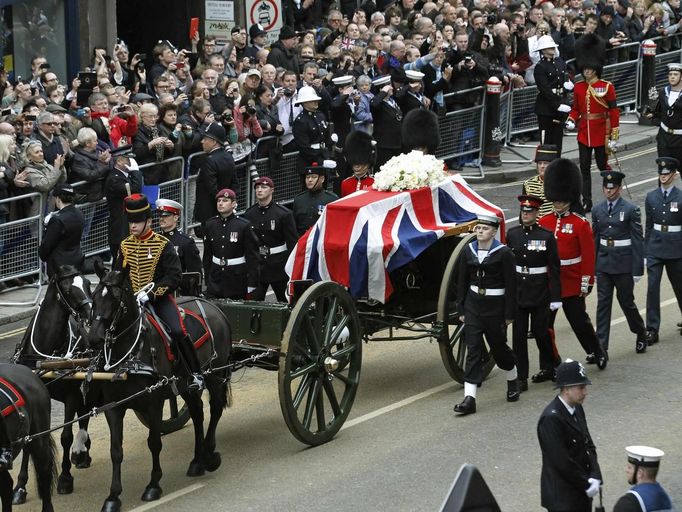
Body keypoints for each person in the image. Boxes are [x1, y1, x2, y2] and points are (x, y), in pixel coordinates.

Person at [118, 194, 203, 391]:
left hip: (158, 300)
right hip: (131, 301)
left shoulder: (162, 244)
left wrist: (152, 293)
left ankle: (195, 373)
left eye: (137, 221)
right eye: (130, 221)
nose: (133, 226)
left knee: (177, 330)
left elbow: (174, 277)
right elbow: (119, 275)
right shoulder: (125, 245)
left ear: (148, 221)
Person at [539, 158, 608, 369]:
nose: (558, 202)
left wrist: (586, 282)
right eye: (556, 199)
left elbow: (588, 256)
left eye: (562, 199)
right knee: (544, 327)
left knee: (579, 323)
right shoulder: (544, 222)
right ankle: (549, 364)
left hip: (571, 282)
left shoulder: (580, 224)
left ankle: (597, 351)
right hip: (550, 283)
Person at [453, 214, 520, 416]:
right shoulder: (468, 251)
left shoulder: (504, 253)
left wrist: (509, 314)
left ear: (493, 231)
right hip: (474, 305)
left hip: (495, 307)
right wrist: (462, 309)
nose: (480, 231)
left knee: (499, 348)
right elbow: (462, 281)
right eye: (478, 228)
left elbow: (511, 285)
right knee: (473, 349)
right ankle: (469, 398)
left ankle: (512, 377)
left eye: (484, 229)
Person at [507, 195, 562, 391]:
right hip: (519, 293)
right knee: (519, 337)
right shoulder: (512, 234)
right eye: (523, 211)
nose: (526, 214)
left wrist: (556, 297)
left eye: (529, 212)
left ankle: (554, 364)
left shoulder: (546, 236)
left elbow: (554, 269)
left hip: (540, 293)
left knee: (541, 334)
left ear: (537, 213)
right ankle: (521, 377)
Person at [591, 170, 648, 355]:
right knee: (603, 304)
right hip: (604, 264)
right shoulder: (597, 209)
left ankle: (640, 332)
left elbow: (637, 240)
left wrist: (638, 268)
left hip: (623, 264)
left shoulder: (631, 209)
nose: (609, 192)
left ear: (619, 188)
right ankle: (601, 347)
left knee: (626, 303)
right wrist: (593, 266)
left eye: (612, 188)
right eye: (606, 188)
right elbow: (595, 239)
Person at [537, 359, 602, 512]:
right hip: (563, 498)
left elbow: (588, 445)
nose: (585, 392)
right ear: (566, 389)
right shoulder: (551, 419)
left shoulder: (577, 408)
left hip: (580, 490)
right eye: (581, 387)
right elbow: (562, 462)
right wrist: (586, 484)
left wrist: (595, 474)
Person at [565, 34, 619, 212]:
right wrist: (571, 120)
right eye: (585, 68)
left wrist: (614, 136)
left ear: (596, 68)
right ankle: (586, 200)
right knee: (584, 169)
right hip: (584, 134)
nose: (587, 71)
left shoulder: (607, 86)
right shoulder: (579, 87)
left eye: (590, 69)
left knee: (603, 167)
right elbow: (576, 109)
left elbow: (613, 111)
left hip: (601, 133)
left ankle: (610, 196)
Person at [644, 157, 682, 345]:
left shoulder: (681, 197)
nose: (663, 176)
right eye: (661, 173)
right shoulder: (651, 197)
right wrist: (646, 250)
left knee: (680, 287)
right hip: (655, 247)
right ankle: (652, 329)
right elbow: (649, 225)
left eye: (667, 174)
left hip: (676, 249)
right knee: (652, 288)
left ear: (674, 175)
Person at [242, 177, 298, 302]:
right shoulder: (249, 214)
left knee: (285, 302)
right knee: (254, 305)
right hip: (258, 266)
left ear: (272, 190)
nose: (259, 190)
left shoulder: (283, 214)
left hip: (279, 266)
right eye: (257, 187)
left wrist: (292, 268)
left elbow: (292, 242)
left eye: (263, 187)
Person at [202, 188, 260, 300]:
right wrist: (208, 279)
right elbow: (207, 255)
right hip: (216, 277)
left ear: (233, 204)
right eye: (218, 201)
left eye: (225, 200)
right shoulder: (210, 224)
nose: (220, 203)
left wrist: (252, 283)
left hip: (237, 279)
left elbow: (252, 256)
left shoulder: (243, 225)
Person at [193, 123, 238, 236]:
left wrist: (221, 203)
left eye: (205, 139)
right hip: (225, 211)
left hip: (209, 213)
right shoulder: (228, 157)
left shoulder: (209, 161)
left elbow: (212, 188)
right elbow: (235, 184)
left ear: (214, 142)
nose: (202, 142)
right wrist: (230, 203)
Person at [533, 35, 572, 155]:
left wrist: (569, 84)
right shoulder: (540, 67)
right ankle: (545, 165)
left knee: (557, 140)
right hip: (546, 107)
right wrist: (557, 105)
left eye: (553, 46)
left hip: (559, 102)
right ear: (543, 50)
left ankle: (556, 164)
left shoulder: (560, 62)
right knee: (547, 140)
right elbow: (545, 89)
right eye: (549, 47)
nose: (553, 49)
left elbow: (564, 76)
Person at [155, 198, 202, 296]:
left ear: (176, 217)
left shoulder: (185, 241)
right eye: (160, 215)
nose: (161, 219)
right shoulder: (155, 239)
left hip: (177, 293)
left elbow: (194, 274)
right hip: (155, 290)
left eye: (166, 215)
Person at [38, 183, 85, 278]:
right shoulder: (79, 213)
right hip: (76, 260)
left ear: (58, 199)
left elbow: (47, 245)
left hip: (59, 266)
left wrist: (46, 228)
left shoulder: (57, 219)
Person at [104, 147, 143, 260]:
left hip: (127, 226)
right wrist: (136, 172)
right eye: (128, 159)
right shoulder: (114, 179)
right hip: (120, 229)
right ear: (119, 161)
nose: (131, 162)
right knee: (119, 264)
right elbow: (135, 189)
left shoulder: (124, 176)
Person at [613, 446, 674, 512]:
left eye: (629, 467)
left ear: (640, 473)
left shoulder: (628, 502)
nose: (626, 470)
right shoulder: (667, 499)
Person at [650, 63, 682, 174]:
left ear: (681, 77)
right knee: (664, 173)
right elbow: (657, 114)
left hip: (680, 140)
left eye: (676, 74)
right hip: (664, 139)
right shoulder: (663, 92)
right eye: (670, 74)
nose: (672, 77)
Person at [292, 161, 338, 235]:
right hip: (303, 241)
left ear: (322, 179)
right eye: (307, 177)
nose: (310, 180)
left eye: (314, 177)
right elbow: (294, 225)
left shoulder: (332, 199)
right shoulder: (299, 199)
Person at [292, 86, 330, 173]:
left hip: (323, 155)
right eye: (312, 100)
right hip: (309, 162)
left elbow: (325, 136)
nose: (316, 102)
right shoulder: (301, 121)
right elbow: (304, 147)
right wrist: (321, 161)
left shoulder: (320, 115)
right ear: (304, 102)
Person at [370, 75, 403, 167]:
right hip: (385, 145)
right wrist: (384, 91)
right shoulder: (378, 104)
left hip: (397, 142)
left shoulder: (392, 101)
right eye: (388, 86)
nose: (392, 88)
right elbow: (374, 104)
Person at [522, 144, 559, 218]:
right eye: (539, 163)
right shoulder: (528, 184)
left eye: (546, 163)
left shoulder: (560, 184)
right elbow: (524, 209)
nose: (542, 166)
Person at [341, 130, 375, 197]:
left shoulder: (374, 183)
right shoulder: (345, 183)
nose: (357, 166)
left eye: (361, 163)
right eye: (354, 163)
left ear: (368, 164)